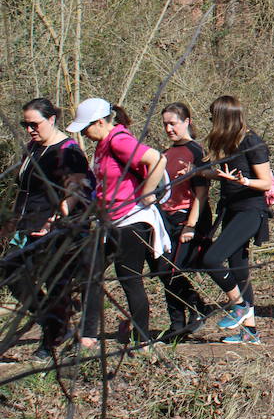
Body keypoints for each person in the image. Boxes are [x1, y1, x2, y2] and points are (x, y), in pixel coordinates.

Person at [69, 99, 170, 349]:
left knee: (129, 279)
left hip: (132, 221)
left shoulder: (118, 140)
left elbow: (157, 160)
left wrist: (146, 192)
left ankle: (142, 339)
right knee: (90, 273)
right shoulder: (102, 144)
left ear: (101, 122)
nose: (84, 134)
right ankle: (88, 334)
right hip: (111, 222)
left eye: (86, 129)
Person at [1, 98, 93, 359]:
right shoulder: (32, 148)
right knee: (12, 273)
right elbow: (25, 187)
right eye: (25, 124)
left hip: (55, 228)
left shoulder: (68, 150)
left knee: (55, 282)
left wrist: (56, 217)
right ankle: (53, 321)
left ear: (51, 119)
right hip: (26, 223)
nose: (29, 129)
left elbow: (76, 189)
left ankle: (50, 338)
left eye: (34, 124)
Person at [201, 95, 274, 344]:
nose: (211, 122)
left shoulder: (252, 141)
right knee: (239, 270)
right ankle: (250, 332)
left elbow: (265, 182)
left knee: (211, 258)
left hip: (251, 211)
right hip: (231, 209)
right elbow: (223, 174)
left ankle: (239, 305)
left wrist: (244, 182)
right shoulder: (229, 142)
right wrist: (197, 172)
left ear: (225, 118)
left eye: (213, 118)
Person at [155, 103, 213, 341]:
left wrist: (190, 225)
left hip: (186, 218)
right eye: (165, 124)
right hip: (165, 218)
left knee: (171, 270)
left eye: (173, 123)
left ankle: (191, 314)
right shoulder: (166, 154)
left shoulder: (195, 152)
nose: (169, 128)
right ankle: (181, 321)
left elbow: (201, 193)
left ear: (187, 121)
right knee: (163, 270)